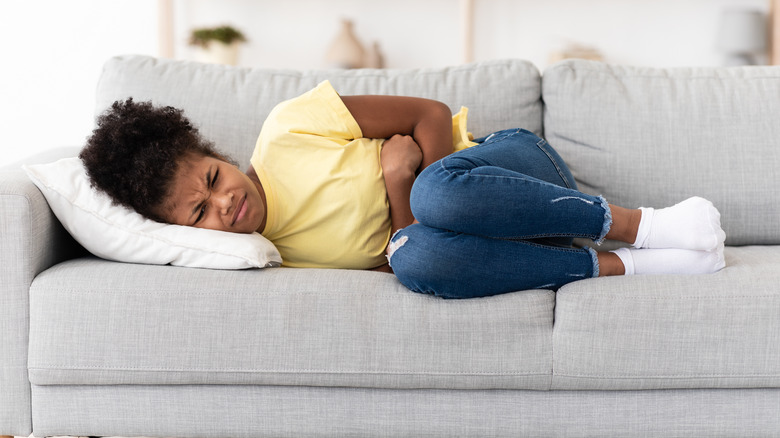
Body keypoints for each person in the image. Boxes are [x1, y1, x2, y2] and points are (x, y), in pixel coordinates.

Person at [80, 81, 726, 299]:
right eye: (201, 212)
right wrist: (399, 184)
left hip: (509, 171)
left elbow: (429, 114)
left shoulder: (288, 129)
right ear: (185, 233)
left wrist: (430, 180)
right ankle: (629, 265)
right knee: (418, 261)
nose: (225, 203)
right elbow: (402, 247)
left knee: (436, 200)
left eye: (215, 179)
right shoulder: (273, 254)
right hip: (509, 244)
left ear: (218, 154)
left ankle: (643, 224)